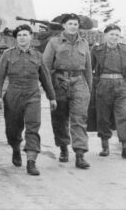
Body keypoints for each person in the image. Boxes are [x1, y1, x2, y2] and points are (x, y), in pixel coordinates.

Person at [0, 24, 57, 176]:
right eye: (19, 35)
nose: (22, 37)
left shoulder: (37, 56)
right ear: (16, 38)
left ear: (31, 37)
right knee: (13, 129)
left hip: (32, 94)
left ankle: (31, 161)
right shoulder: (8, 55)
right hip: (13, 94)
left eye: (25, 34)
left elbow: (46, 78)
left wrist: (52, 97)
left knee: (33, 127)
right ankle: (15, 147)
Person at [43, 13, 92, 169]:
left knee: (79, 119)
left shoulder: (84, 43)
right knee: (60, 118)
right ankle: (63, 148)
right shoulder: (54, 42)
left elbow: (89, 69)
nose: (73, 26)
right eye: (70, 23)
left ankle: (80, 154)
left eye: (75, 24)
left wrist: (88, 89)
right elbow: (45, 67)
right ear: (64, 26)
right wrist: (49, 91)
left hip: (79, 82)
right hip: (59, 83)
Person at [91, 24, 126, 159]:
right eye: (112, 34)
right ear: (106, 35)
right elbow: (89, 68)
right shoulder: (97, 50)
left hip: (121, 86)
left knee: (124, 115)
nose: (114, 37)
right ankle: (105, 147)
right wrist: (97, 83)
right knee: (103, 116)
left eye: (117, 35)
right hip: (103, 86)